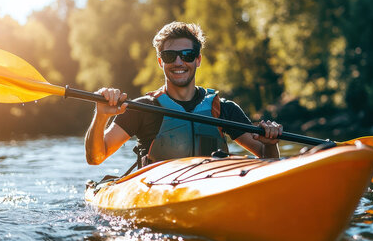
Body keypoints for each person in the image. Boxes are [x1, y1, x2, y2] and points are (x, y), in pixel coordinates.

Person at [85, 21, 282, 167]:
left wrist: (270, 143)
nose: (179, 62)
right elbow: (95, 158)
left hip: (209, 188)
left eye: (187, 55)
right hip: (157, 194)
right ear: (161, 62)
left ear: (198, 60)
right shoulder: (142, 108)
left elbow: (268, 159)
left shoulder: (224, 110)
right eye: (170, 56)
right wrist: (101, 116)